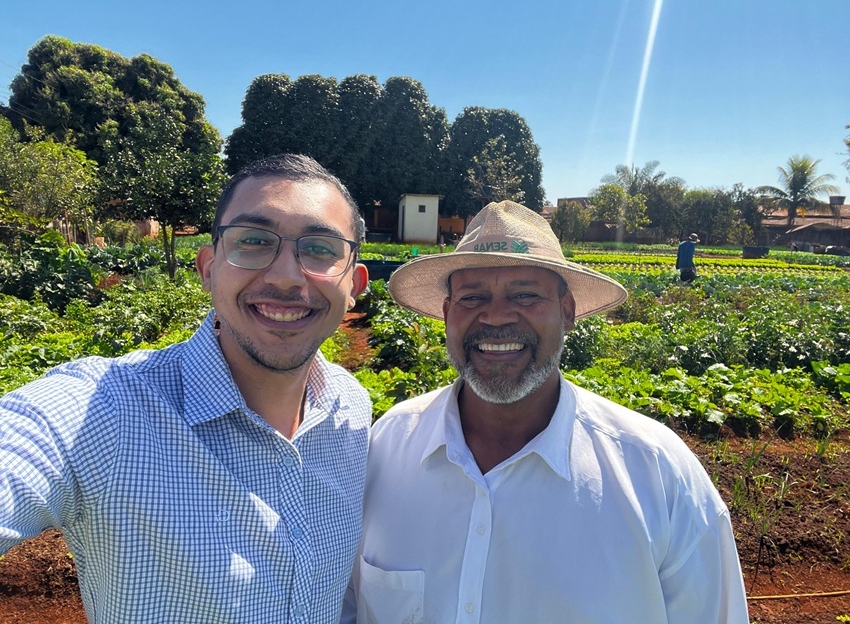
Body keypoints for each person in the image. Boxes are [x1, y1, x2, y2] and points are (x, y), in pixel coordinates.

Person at [0, 154, 372, 622]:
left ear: (354, 282)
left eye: (319, 248)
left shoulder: (351, 408)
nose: (284, 276)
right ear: (208, 268)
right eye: (254, 241)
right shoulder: (105, 412)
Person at [342, 201, 748, 623]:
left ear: (567, 312)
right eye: (472, 297)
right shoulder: (386, 450)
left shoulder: (657, 473)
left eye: (525, 295)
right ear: (447, 314)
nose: (496, 316)